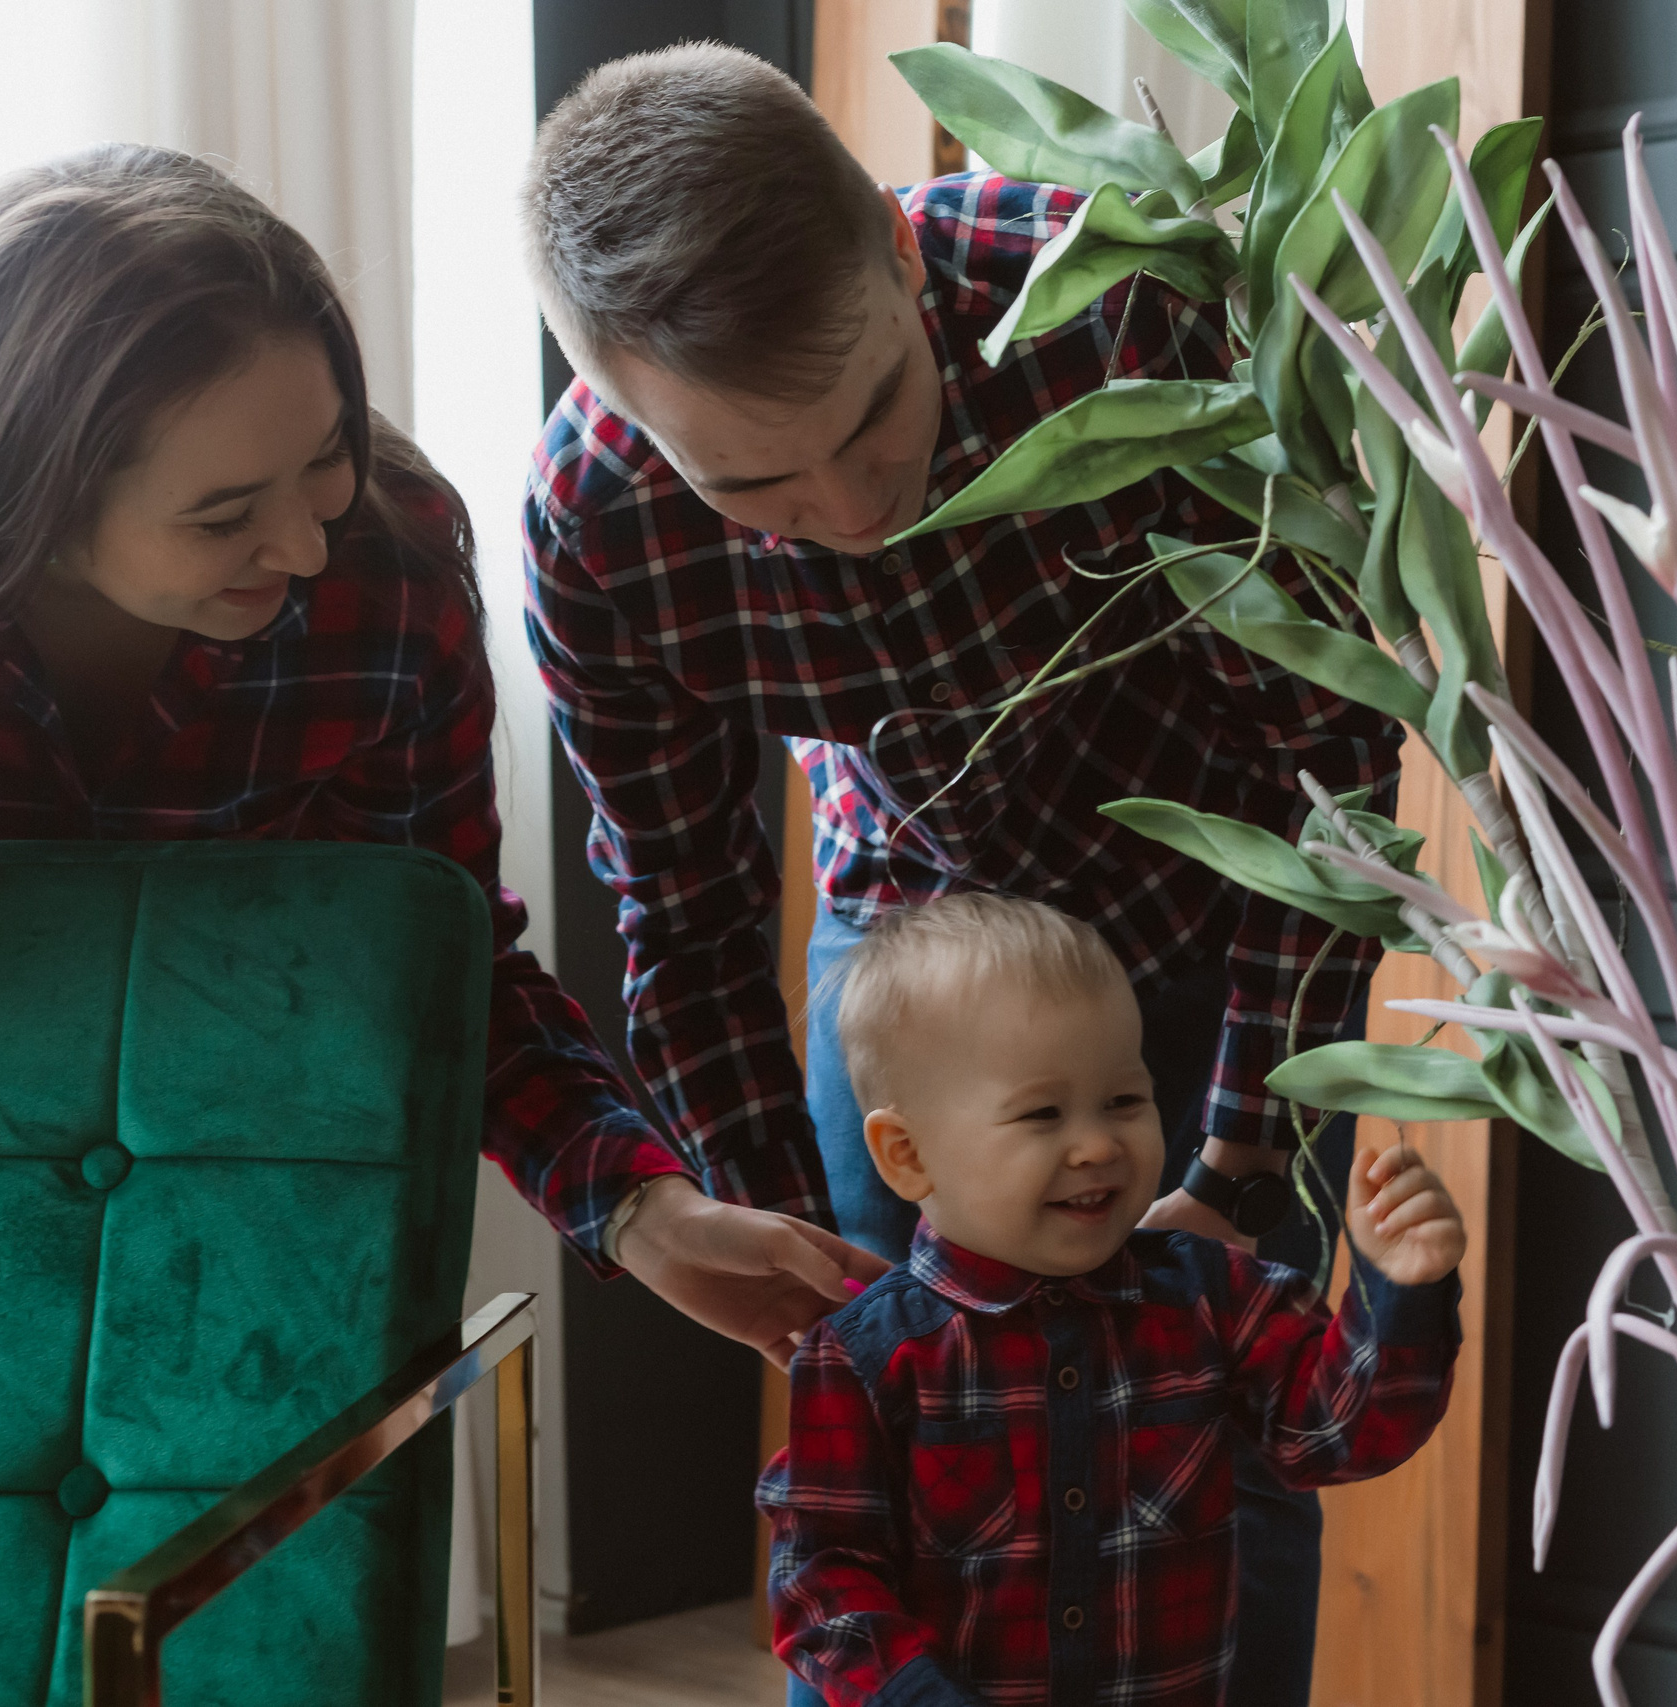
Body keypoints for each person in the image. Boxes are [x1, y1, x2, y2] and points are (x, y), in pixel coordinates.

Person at [516, 46, 1401, 1703]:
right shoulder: (592, 525)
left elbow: (1333, 755)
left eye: (870, 417)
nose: (852, 507)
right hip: (911, 944)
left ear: (901, 256)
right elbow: (687, 906)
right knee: (899, 1453)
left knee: (1231, 1439)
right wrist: (772, 1218)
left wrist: (1241, 1155)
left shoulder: (1112, 304)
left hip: (1229, 918)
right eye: (753, 484)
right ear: (630, 418)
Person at [0, 143, 882, 1355]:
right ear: (32, 498)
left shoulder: (388, 568)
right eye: (223, 515)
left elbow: (435, 962)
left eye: (327, 455)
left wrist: (642, 1207)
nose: (304, 544)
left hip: (199, 1235)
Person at [759, 894, 1464, 1707]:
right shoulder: (859, 1359)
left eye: (1125, 1100)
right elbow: (821, 1582)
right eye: (1044, 1113)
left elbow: (1341, 1435)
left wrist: (1400, 1288)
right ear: (907, 1153)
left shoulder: (1215, 1298)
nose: (1098, 1143)